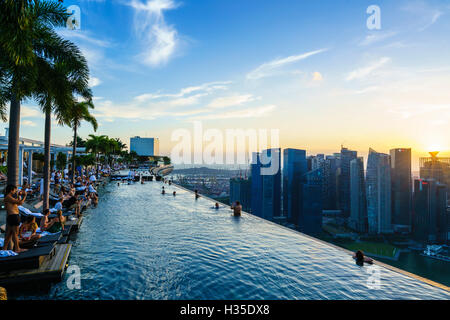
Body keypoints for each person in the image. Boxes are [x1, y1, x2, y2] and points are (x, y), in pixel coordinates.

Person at [2, 185, 27, 253]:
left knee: (8, 234)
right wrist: (25, 196)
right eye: (14, 190)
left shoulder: (8, 198)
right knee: (15, 234)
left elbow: (18, 204)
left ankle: (4, 249)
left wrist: (19, 196)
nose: (15, 191)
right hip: (14, 216)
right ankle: (17, 248)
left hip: (11, 217)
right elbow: (20, 202)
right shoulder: (8, 197)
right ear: (11, 190)